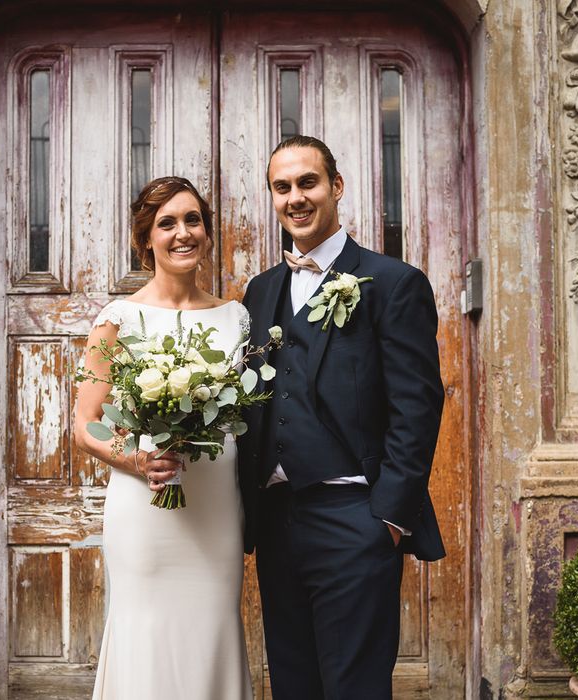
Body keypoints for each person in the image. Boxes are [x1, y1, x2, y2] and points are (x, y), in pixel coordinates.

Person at [237, 135, 446, 699]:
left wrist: (388, 520)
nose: (295, 198)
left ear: (336, 187)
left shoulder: (393, 283)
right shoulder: (260, 292)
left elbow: (418, 406)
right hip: (279, 521)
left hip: (356, 517)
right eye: (282, 187)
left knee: (354, 688)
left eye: (308, 182)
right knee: (293, 685)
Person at [74, 176, 252, 700]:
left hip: (217, 511)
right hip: (145, 512)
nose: (182, 233)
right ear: (145, 239)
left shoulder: (236, 317)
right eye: (167, 223)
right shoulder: (116, 319)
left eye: (193, 220)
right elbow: (84, 426)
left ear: (207, 232)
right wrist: (137, 461)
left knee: (212, 629)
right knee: (145, 632)